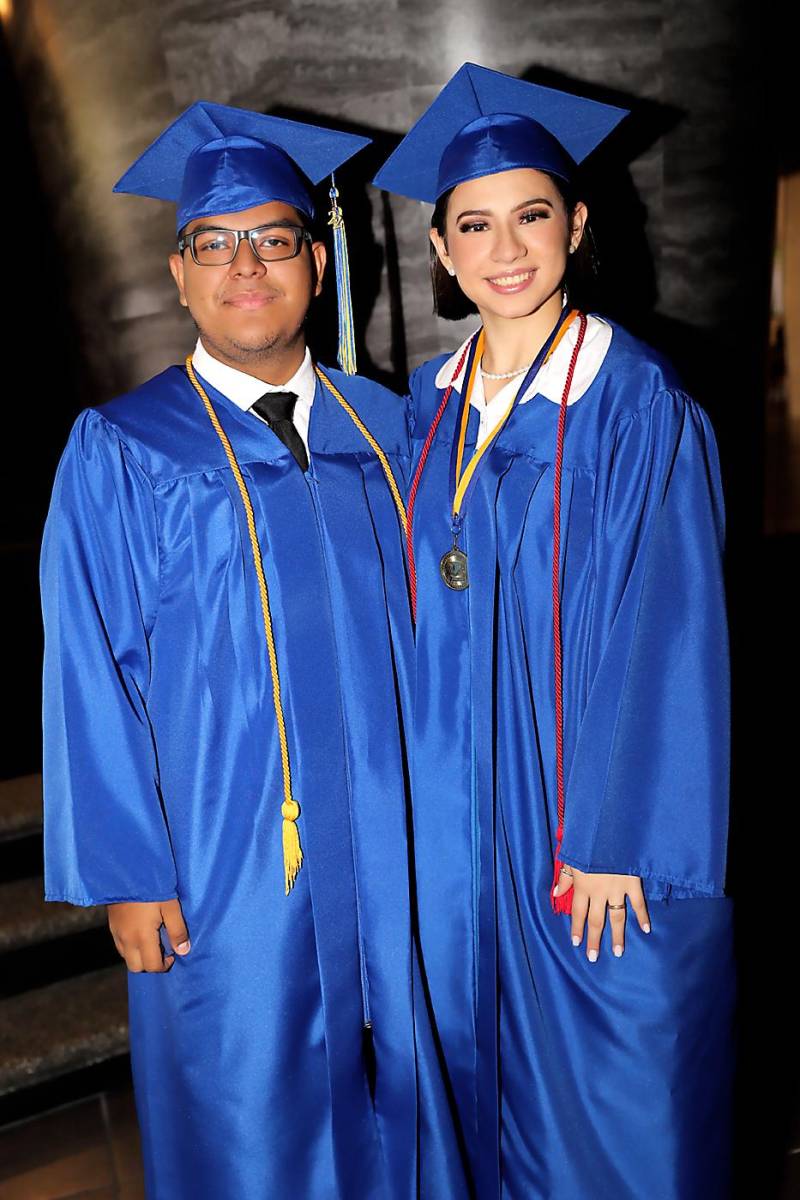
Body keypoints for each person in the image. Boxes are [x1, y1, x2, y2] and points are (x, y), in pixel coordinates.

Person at [41, 101, 466, 1200]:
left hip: (396, 844)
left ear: (314, 264)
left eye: (273, 238)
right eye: (214, 244)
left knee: (413, 1090)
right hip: (229, 857)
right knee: (241, 1102)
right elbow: (89, 671)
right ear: (179, 274)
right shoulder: (124, 449)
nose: (246, 266)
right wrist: (127, 873)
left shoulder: (392, 430)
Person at [373, 63, 735, 1199]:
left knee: (611, 1101)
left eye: (530, 214)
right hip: (451, 824)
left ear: (575, 225)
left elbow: (672, 629)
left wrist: (626, 833)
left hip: (584, 816)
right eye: (472, 225)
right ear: (438, 250)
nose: (504, 248)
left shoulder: (634, 402)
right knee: (470, 1091)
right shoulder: (423, 409)